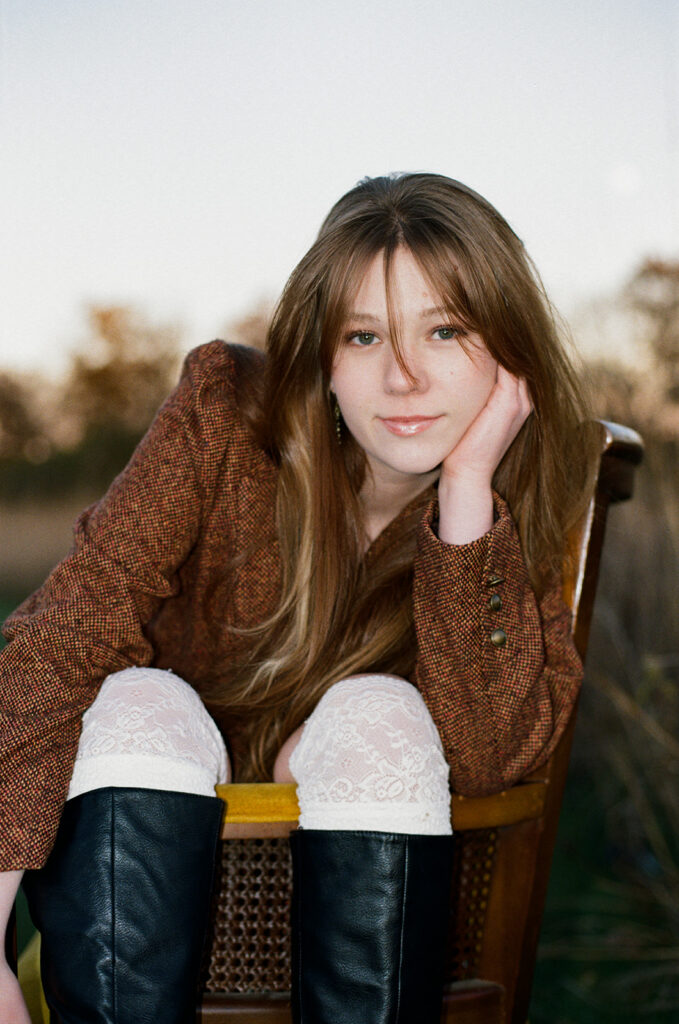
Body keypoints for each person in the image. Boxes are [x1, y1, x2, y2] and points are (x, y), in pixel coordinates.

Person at [0, 173, 595, 1023]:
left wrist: (466, 497)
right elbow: (68, 634)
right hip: (142, 895)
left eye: (445, 330)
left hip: (369, 915)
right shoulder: (226, 416)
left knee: (378, 714)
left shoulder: (516, 505)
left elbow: (490, 760)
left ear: (508, 348)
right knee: (136, 699)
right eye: (363, 335)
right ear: (323, 356)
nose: (403, 377)